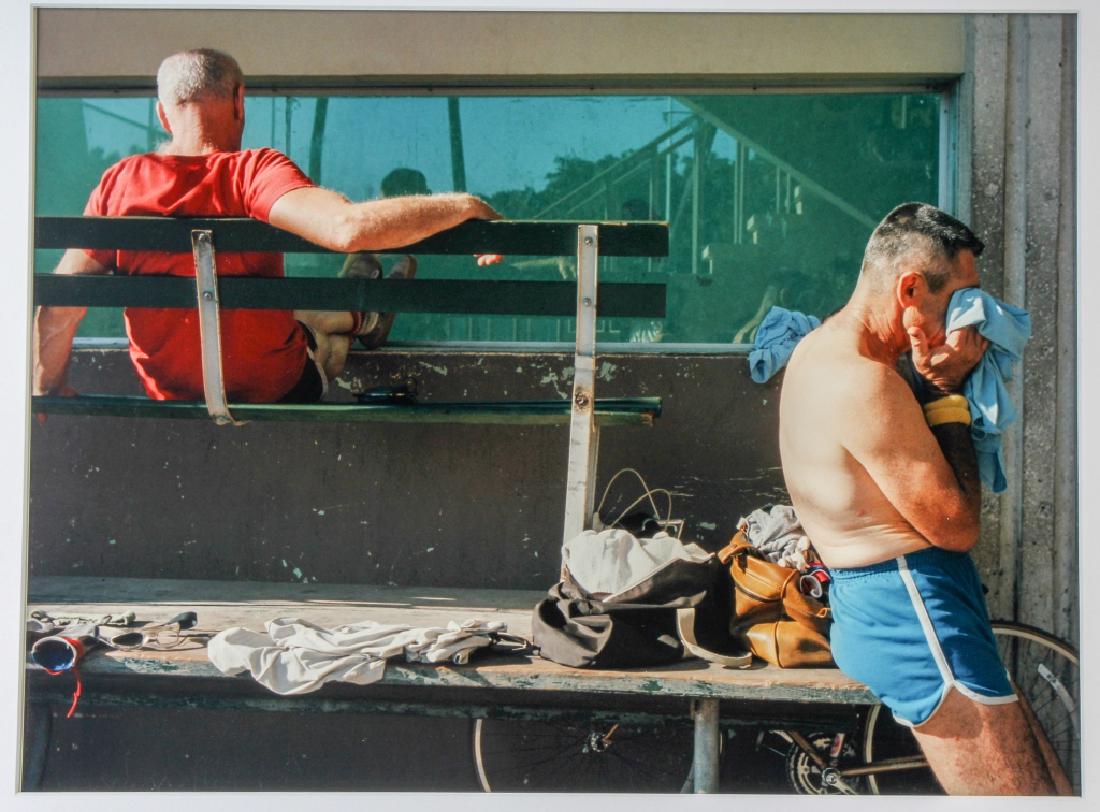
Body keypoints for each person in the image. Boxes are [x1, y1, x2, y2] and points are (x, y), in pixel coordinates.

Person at [778, 202, 1070, 795]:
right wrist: (943, 391)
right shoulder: (863, 380)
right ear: (909, 289)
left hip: (901, 598)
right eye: (960, 300)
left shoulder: (820, 349)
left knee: (1052, 791)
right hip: (909, 604)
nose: (970, 321)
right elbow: (956, 527)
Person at [33, 48, 502, 403]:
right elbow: (348, 229)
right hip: (274, 387)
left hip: (170, 391)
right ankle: (363, 313)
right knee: (313, 334)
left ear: (163, 113)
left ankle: (362, 309)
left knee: (286, 314)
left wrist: (48, 392)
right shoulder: (253, 172)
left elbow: (59, 307)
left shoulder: (119, 183)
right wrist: (464, 204)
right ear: (240, 101)